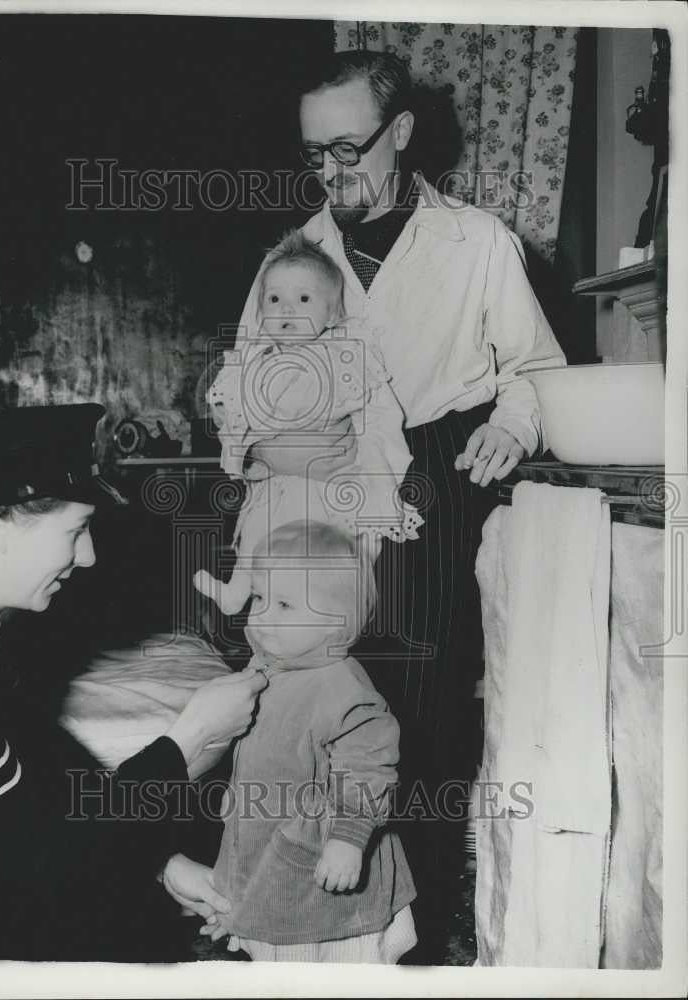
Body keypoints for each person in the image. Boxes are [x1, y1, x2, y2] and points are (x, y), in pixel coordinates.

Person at [228, 50, 567, 960]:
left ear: (402, 133)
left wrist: (513, 424)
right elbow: (251, 378)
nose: (329, 171)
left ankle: (411, 933)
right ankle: (295, 916)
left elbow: (535, 373)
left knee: (407, 707)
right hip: (314, 482)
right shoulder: (292, 254)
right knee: (296, 694)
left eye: (346, 147)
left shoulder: (479, 243)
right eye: (312, 155)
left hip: (431, 472)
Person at [0, 403, 267, 962]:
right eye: (77, 530)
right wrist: (186, 744)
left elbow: (34, 765)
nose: (88, 557)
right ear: (1, 521)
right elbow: (41, 868)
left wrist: (160, 863)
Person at [200, 520, 417, 963]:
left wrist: (349, 837)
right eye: (259, 598)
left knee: (332, 967)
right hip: (269, 844)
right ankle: (247, 914)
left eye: (284, 604)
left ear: (335, 624)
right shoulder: (272, 668)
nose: (261, 615)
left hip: (321, 863)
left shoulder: (342, 688)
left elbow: (369, 768)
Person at [194, 228, 421, 615]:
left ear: (332, 313)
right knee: (259, 534)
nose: (286, 309)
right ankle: (239, 592)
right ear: (260, 309)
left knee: (336, 551)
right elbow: (225, 407)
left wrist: (378, 473)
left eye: (303, 299)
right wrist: (228, 425)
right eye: (274, 298)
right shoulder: (252, 360)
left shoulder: (347, 358)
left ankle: (345, 607)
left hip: (332, 486)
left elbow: (379, 415)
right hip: (277, 483)